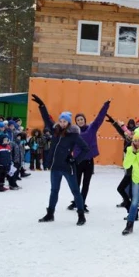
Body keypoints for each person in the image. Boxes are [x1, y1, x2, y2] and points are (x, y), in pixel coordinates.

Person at [32, 94, 90, 226]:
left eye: (65, 121)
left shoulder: (73, 135)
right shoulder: (55, 131)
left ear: (69, 122)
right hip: (55, 167)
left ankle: (81, 215)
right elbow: (46, 118)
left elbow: (86, 149)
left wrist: (75, 160)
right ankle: (50, 214)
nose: (62, 123)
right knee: (54, 191)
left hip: (68, 168)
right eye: (61, 121)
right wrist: (41, 105)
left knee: (75, 191)